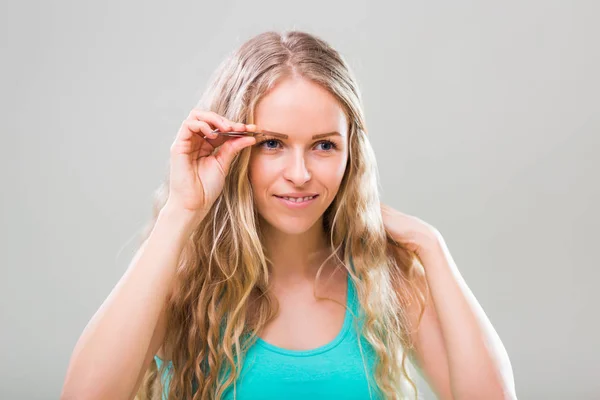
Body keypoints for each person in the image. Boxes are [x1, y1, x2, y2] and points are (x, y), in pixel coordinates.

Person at [61, 31, 516, 400]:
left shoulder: (386, 279)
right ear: (231, 148)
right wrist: (182, 212)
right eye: (272, 144)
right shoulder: (184, 284)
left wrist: (432, 246)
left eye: (323, 145)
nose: (299, 174)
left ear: (351, 154)